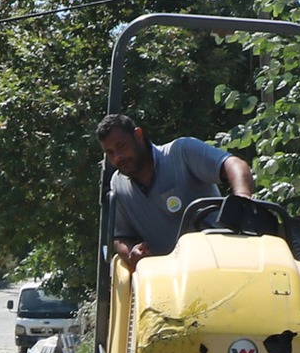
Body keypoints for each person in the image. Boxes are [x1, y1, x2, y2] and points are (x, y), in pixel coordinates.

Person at [96, 113, 255, 270]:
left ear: (138, 135)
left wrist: (242, 201)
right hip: (167, 281)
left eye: (121, 146)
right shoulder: (118, 184)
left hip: (220, 263)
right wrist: (133, 253)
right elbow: (120, 237)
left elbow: (234, 164)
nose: (118, 157)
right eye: (110, 152)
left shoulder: (181, 152)